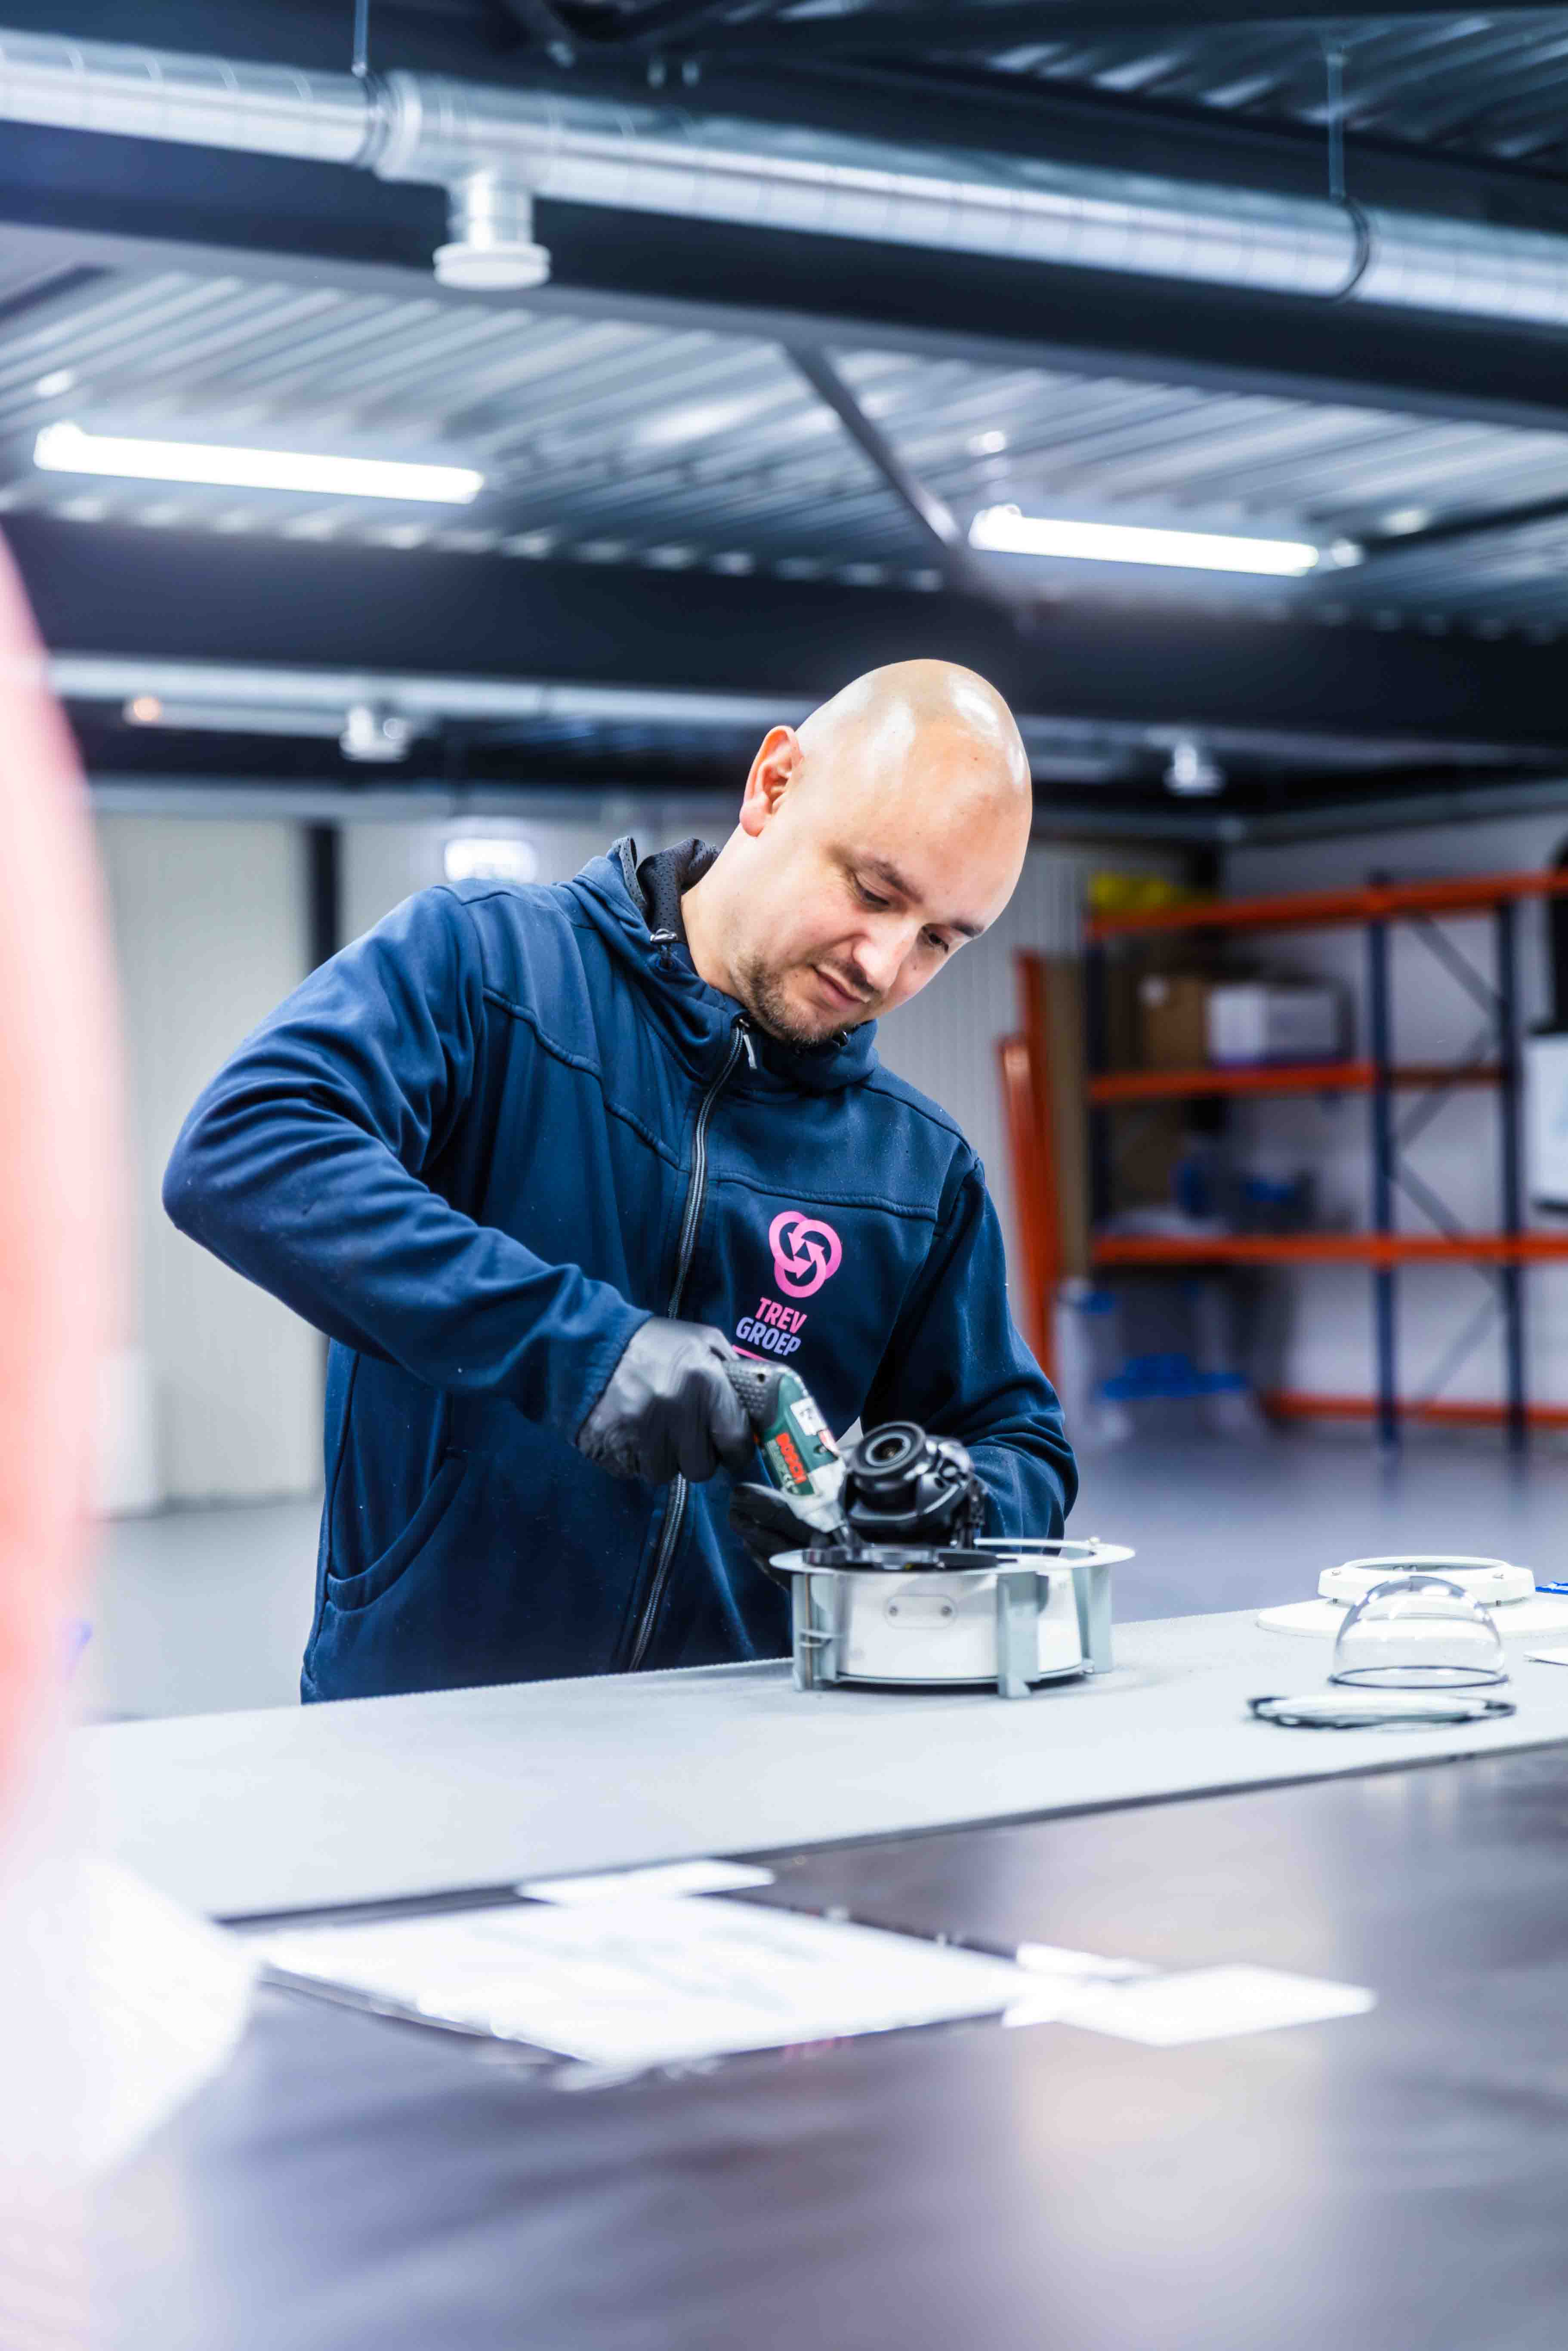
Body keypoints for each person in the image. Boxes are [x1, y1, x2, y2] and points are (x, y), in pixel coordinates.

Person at [164, 659, 1077, 1701]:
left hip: (744, 1743)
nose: (882, 963)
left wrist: (949, 1506)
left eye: (938, 941)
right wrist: (586, 1350)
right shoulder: (487, 968)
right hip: (426, 1723)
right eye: (873, 892)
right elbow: (246, 1144)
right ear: (773, 784)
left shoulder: (917, 1170)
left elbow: (1019, 1441)